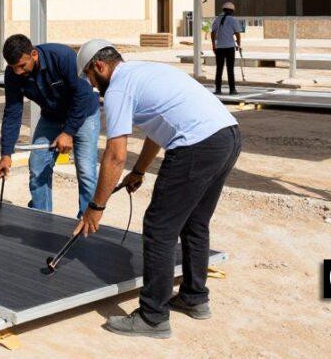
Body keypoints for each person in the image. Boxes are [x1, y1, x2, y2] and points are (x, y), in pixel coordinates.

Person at [74, 39, 242, 339]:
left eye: (89, 76)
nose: (91, 85)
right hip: (227, 136)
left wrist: (96, 207)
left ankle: (153, 317)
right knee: (195, 222)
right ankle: (194, 297)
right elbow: (157, 130)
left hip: (197, 144)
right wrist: (139, 171)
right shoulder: (143, 72)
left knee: (159, 228)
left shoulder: (117, 90)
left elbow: (115, 155)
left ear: (99, 66)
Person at [0, 34, 102, 217]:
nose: (18, 72)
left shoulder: (63, 57)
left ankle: (87, 222)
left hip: (84, 114)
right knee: (37, 166)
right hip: (51, 117)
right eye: (13, 67)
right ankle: (41, 218)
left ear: (34, 54)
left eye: (22, 66)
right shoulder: (13, 74)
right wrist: (6, 154)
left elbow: (82, 95)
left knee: (86, 172)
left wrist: (68, 132)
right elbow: (12, 113)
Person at [210, 1, 242, 95]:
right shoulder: (233, 20)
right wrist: (238, 45)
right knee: (230, 69)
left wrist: (213, 45)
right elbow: (237, 34)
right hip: (230, 48)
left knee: (219, 69)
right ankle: (232, 90)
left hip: (219, 48)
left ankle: (218, 89)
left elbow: (213, 33)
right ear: (232, 11)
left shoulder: (217, 19)